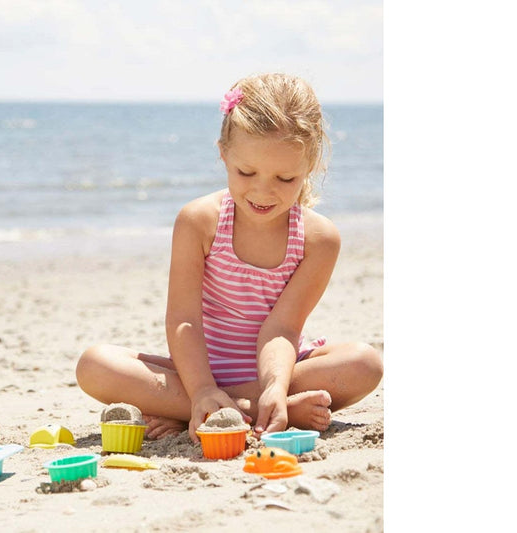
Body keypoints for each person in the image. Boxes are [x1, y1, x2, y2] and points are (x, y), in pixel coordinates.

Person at [75, 73, 383, 444]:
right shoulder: (199, 221)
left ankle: (221, 408)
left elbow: (282, 329)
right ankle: (251, 407)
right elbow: (184, 320)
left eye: (285, 178)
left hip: (281, 369)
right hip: (197, 372)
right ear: (223, 153)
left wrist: (273, 385)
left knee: (364, 363)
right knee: (95, 366)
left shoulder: (319, 239)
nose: (262, 191)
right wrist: (203, 387)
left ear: (310, 167)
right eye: (246, 172)